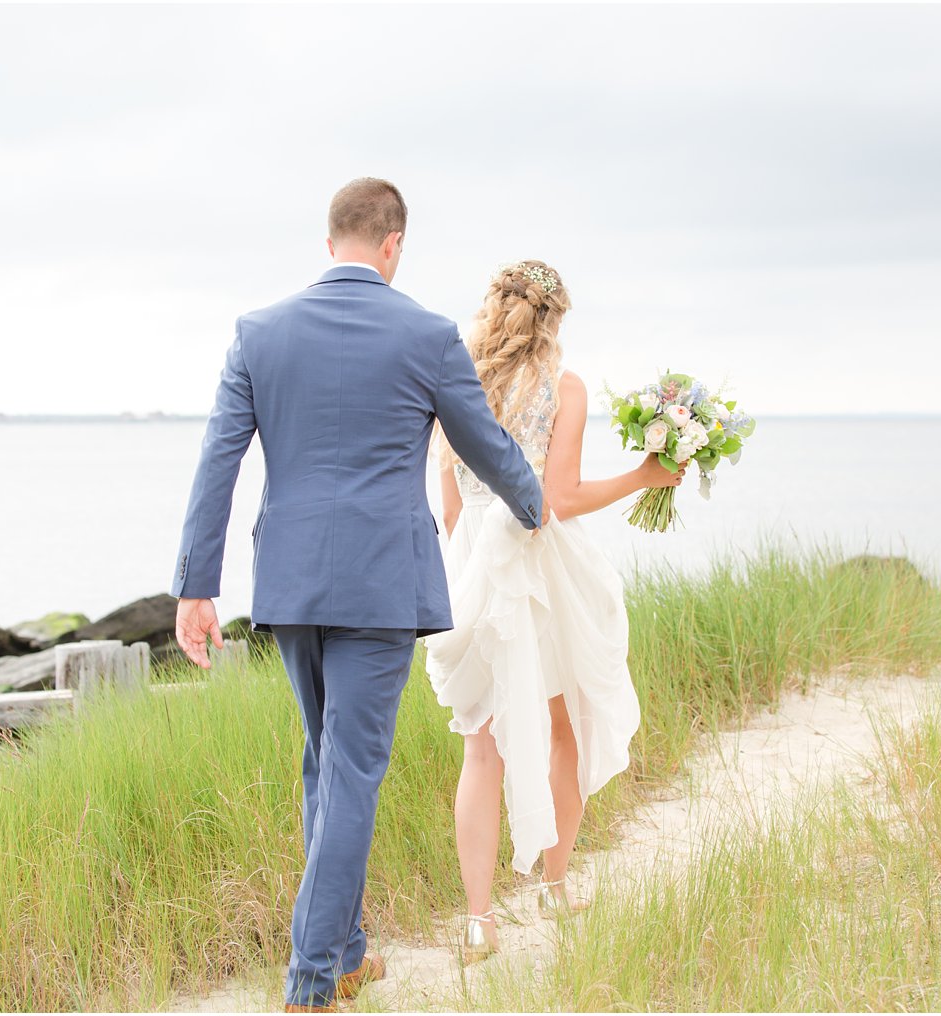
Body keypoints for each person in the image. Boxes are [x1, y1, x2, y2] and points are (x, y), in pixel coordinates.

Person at [171, 179, 542, 1012]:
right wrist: (535, 505)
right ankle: (309, 982)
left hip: (293, 586)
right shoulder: (426, 334)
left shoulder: (259, 333)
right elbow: (484, 444)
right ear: (393, 243)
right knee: (348, 771)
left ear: (329, 238)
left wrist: (197, 587)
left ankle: (343, 952)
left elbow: (217, 463)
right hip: (378, 586)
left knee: (326, 765)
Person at [423, 260, 682, 965]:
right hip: (539, 564)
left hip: (472, 565)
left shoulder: (455, 386)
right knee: (562, 726)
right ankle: (555, 886)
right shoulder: (562, 389)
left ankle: (480, 922)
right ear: (554, 319)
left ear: (495, 309)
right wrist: (645, 477)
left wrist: (468, 572)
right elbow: (557, 497)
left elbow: (448, 508)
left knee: (481, 746)